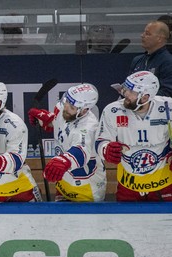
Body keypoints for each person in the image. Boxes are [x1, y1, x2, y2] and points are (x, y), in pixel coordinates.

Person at [96, 71, 172, 201]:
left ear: (145, 97)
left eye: (131, 91)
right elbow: (100, 141)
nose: (125, 93)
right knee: (126, 221)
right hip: (128, 186)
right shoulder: (112, 110)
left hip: (163, 184)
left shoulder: (168, 107)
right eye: (126, 89)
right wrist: (106, 149)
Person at [28, 83, 106, 202]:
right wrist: (47, 121)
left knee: (85, 221)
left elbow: (81, 151)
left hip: (86, 188)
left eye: (72, 107)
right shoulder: (64, 108)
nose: (66, 108)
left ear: (84, 110)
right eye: (66, 102)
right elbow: (60, 123)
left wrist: (64, 161)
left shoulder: (89, 126)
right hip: (63, 181)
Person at [129, 21, 172, 97]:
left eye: (147, 34)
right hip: (134, 105)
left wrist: (140, 97)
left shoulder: (168, 62)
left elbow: (167, 92)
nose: (142, 35)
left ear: (159, 38)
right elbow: (129, 85)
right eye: (144, 32)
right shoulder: (137, 60)